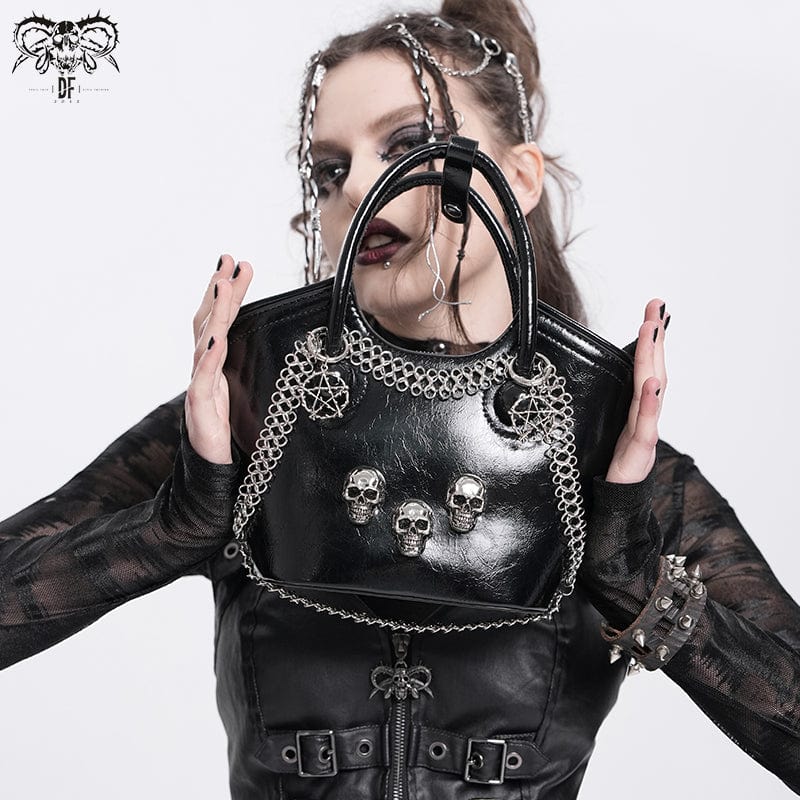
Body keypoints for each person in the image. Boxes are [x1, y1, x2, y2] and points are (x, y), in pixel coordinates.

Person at [2, 2, 799, 797]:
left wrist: (636, 585)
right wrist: (169, 528)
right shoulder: (246, 419)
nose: (357, 187)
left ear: (518, 179)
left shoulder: (605, 456)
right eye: (329, 170)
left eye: (408, 145)